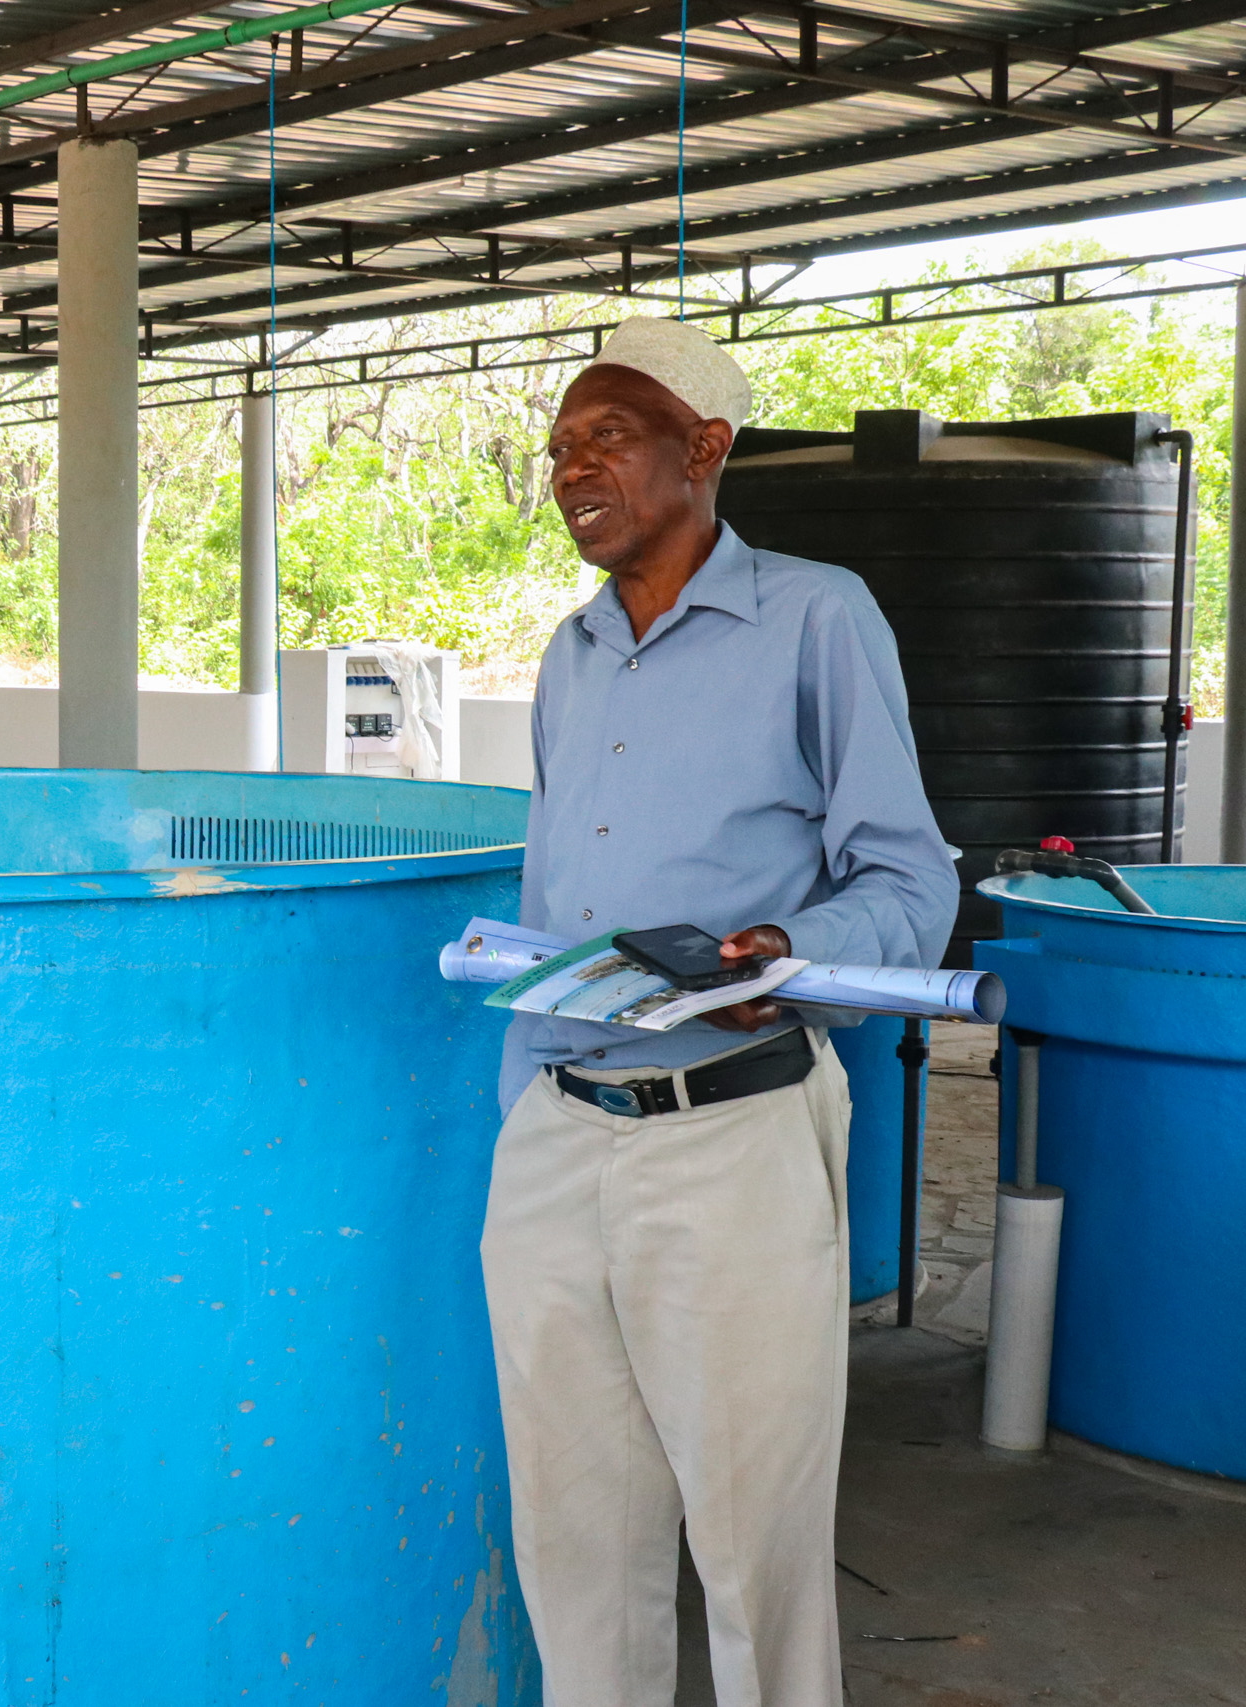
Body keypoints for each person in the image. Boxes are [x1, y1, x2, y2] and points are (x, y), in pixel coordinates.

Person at [482, 316, 957, 1706]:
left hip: (729, 1130)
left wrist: (789, 954)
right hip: (565, 1132)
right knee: (574, 1539)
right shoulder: (571, 654)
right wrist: (529, 1105)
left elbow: (906, 873)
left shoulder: (818, 615)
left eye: (606, 440)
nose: (573, 470)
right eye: (561, 448)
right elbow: (559, 889)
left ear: (704, 448)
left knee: (751, 1543)